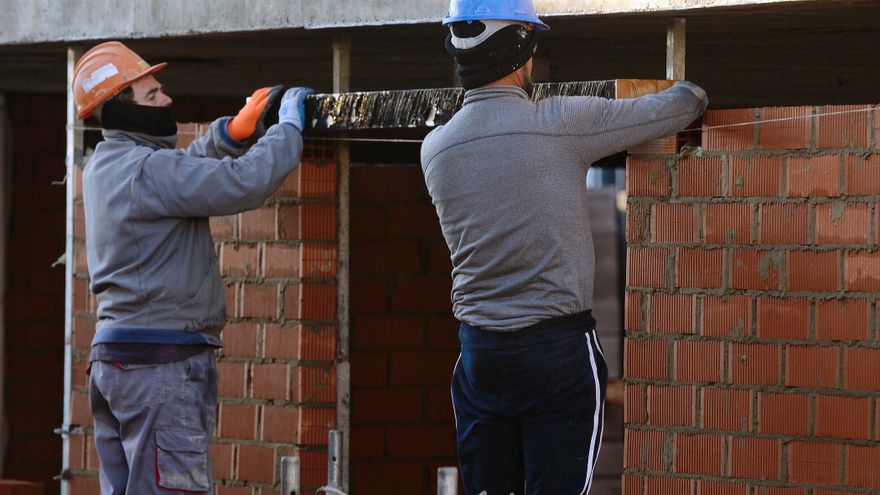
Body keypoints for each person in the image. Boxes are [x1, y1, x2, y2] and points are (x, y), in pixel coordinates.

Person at [420, 1, 708, 494]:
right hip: (556, 353)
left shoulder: (435, 149)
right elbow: (679, 106)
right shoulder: (559, 123)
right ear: (522, 47)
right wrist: (693, 86)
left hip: (479, 355)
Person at [72, 41, 312, 494]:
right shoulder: (145, 169)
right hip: (159, 364)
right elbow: (244, 184)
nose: (166, 100)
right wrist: (289, 129)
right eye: (152, 95)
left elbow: (178, 172)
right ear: (121, 111)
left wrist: (230, 135)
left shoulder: (109, 163)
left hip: (118, 363)